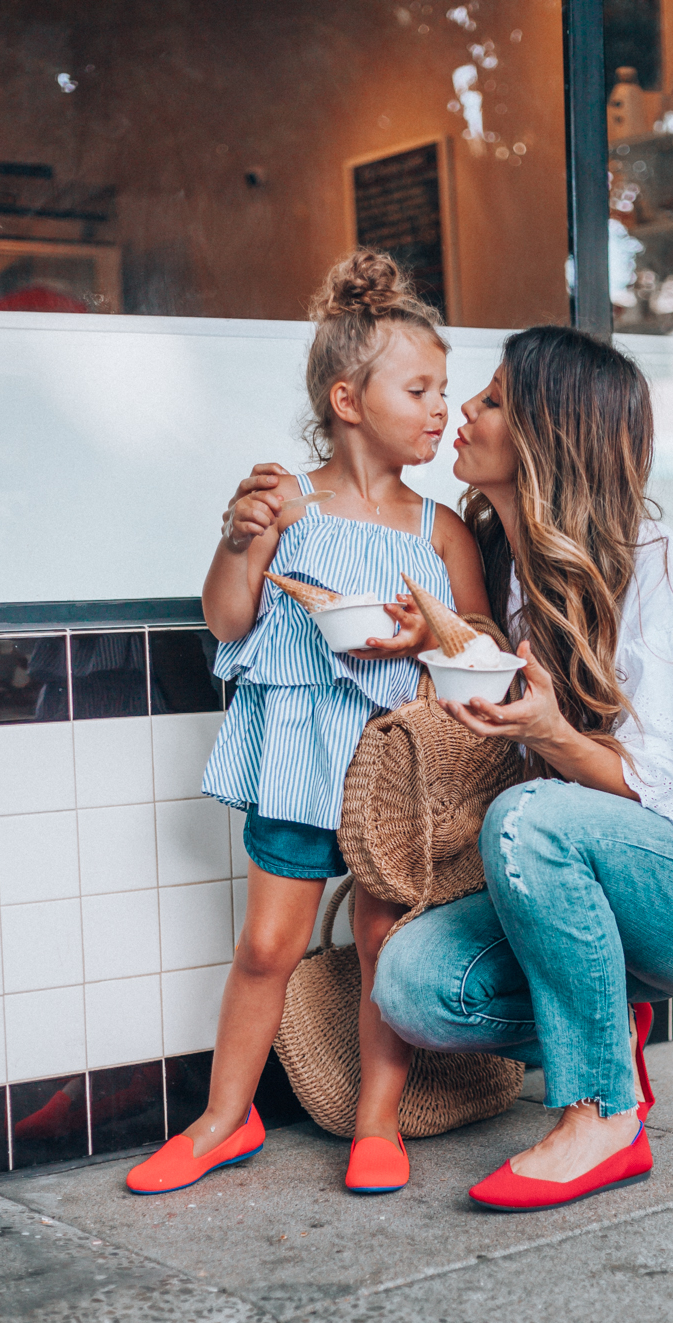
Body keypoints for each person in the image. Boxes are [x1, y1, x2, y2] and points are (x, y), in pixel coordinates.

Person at [371, 324, 673, 1213]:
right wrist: (442, 637)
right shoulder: (504, 559)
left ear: (544, 436)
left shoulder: (659, 568)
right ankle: (609, 1037)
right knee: (412, 983)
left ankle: (601, 1114)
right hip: (599, 882)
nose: (463, 413)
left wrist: (555, 736)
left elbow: (659, 788)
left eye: (489, 401)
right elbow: (500, 664)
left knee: (529, 817)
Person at [126, 251, 490, 1196]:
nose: (440, 407)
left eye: (444, 390)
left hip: (387, 772)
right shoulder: (287, 502)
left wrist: (427, 632)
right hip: (294, 756)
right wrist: (243, 537)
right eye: (419, 389)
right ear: (347, 397)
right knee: (266, 949)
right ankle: (222, 1121)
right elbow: (227, 620)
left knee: (380, 946)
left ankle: (377, 1122)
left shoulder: (438, 532)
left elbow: (478, 644)